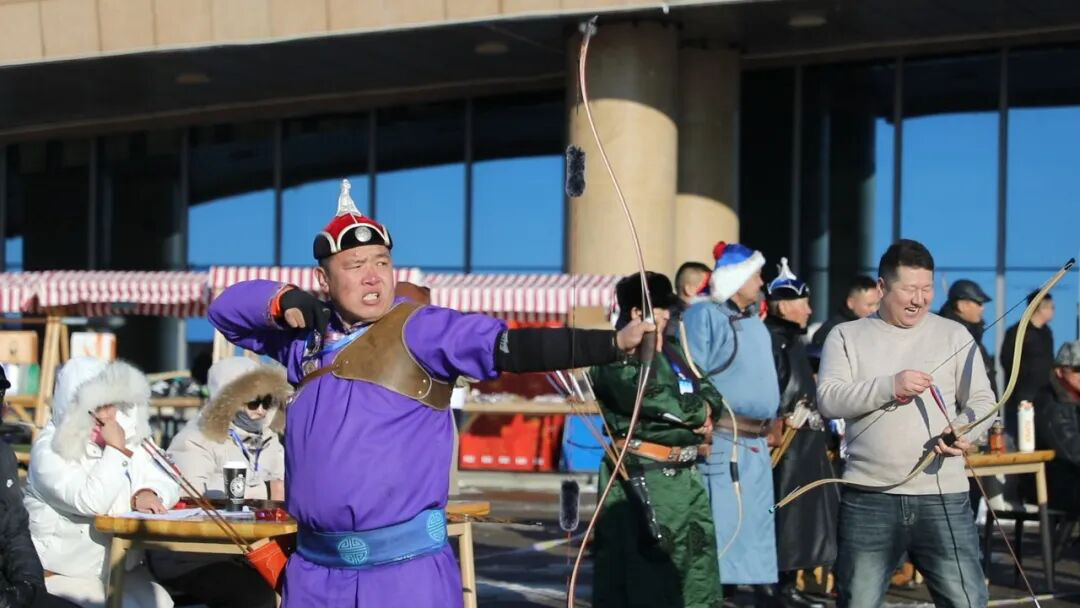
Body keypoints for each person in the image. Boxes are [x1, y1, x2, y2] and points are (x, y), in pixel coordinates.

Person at [207, 179, 656, 606]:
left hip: (403, 576)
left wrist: (612, 344)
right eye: (355, 265)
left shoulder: (422, 329)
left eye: (382, 262)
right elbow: (224, 311)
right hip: (314, 576)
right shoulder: (306, 342)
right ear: (323, 281)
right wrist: (284, 300)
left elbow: (510, 346)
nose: (372, 277)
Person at [817, 239, 995, 607]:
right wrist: (889, 386)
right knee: (858, 601)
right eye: (909, 289)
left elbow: (983, 400)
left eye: (926, 288)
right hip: (869, 497)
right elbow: (829, 399)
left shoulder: (954, 334)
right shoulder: (846, 335)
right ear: (882, 287)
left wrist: (964, 428)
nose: (919, 299)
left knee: (967, 601)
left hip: (943, 497)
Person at [590, 271, 723, 608]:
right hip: (646, 474)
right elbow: (651, 398)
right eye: (662, 309)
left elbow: (709, 390)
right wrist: (699, 413)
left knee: (697, 564)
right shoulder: (615, 355)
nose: (668, 316)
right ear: (638, 312)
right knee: (651, 571)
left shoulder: (675, 351)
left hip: (687, 475)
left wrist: (707, 409)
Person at [23, 358, 180, 608]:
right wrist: (116, 450)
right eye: (97, 407)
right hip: (63, 573)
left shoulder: (125, 431)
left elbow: (168, 474)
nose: (107, 415)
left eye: (111, 404)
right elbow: (91, 501)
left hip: (120, 568)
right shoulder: (50, 449)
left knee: (161, 602)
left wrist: (148, 490)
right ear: (73, 406)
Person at [683, 241, 781, 605]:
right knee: (723, 530)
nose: (761, 282)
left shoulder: (754, 323)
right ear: (736, 279)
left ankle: (755, 593)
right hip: (722, 441)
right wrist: (698, 428)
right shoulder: (704, 316)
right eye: (756, 275)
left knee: (753, 528)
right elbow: (689, 374)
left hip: (756, 445)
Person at [149, 356, 290, 608]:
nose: (261, 410)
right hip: (191, 552)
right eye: (253, 402)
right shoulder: (196, 437)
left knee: (308, 581)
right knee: (256, 597)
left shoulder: (267, 438)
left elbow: (279, 493)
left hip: (248, 547)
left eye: (267, 401)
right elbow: (187, 504)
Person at [764, 259, 838, 608]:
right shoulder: (771, 340)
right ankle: (776, 588)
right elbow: (770, 390)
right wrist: (782, 417)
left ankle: (789, 582)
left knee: (801, 516)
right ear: (783, 305)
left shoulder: (793, 341)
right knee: (784, 515)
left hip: (805, 444)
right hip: (786, 445)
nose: (809, 310)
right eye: (803, 303)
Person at [0, 367, 80, 608]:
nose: (5, 409)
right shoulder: (51, 448)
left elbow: (15, 530)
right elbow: (89, 498)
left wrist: (29, 587)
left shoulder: (3, 454)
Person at [1001, 291, 1055, 440]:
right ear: (1041, 308)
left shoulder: (1047, 332)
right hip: (1022, 396)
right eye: (1051, 307)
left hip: (1044, 395)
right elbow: (1007, 360)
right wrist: (1024, 379)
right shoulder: (1018, 332)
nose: (1053, 311)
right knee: (1022, 436)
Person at [1033, 341, 1080, 512]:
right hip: (1056, 484)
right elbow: (1073, 449)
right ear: (1060, 371)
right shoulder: (1051, 402)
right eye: (1078, 369)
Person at [939, 279, 997, 395]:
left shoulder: (976, 337)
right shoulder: (945, 338)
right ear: (962, 306)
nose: (982, 308)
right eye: (979, 303)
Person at [809, 276, 880, 354]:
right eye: (869, 305)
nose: (874, 309)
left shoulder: (875, 326)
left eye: (877, 304)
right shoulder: (833, 332)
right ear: (850, 303)